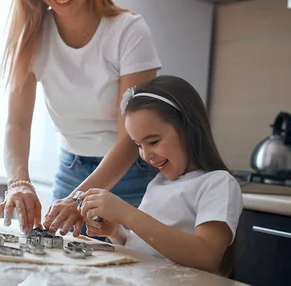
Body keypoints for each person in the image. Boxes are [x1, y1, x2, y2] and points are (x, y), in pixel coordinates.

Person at [0, 0, 161, 235]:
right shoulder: (32, 37)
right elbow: (17, 124)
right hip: (71, 170)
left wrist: (78, 198)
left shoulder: (129, 32)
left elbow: (131, 139)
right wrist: (18, 182)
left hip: (133, 175)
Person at [78, 75, 243, 274]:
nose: (145, 155)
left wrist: (128, 214)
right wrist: (117, 233)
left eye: (153, 142)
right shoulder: (159, 183)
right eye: (138, 145)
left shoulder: (218, 183)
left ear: (188, 128)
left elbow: (205, 256)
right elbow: (149, 248)